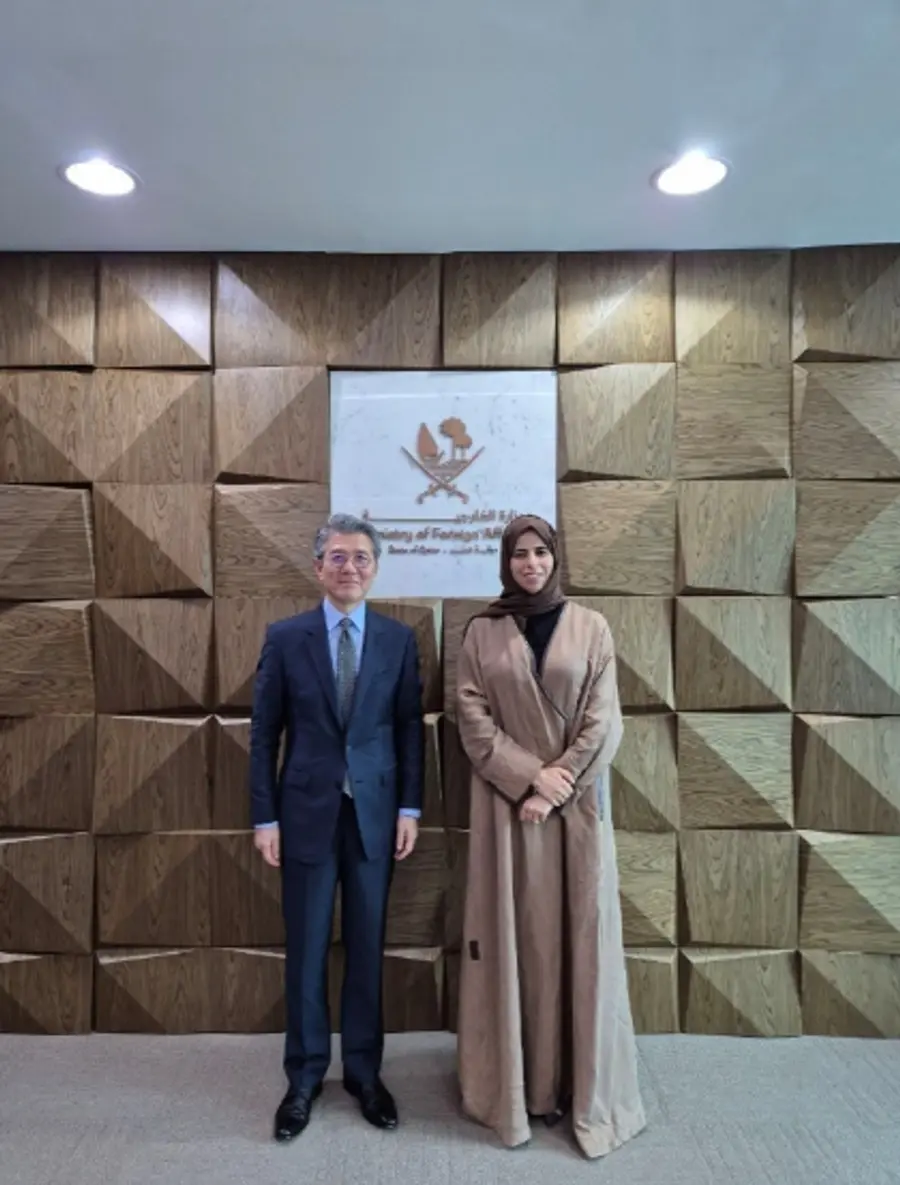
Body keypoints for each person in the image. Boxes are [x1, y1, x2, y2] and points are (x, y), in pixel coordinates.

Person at [453, 513, 646, 1160]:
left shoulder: (592, 626)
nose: (531, 563)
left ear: (556, 557)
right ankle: (520, 1089)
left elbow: (604, 721)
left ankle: (578, 1086)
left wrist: (555, 785)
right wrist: (529, 777)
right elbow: (472, 717)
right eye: (520, 554)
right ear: (505, 561)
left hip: (575, 811)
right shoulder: (481, 630)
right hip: (509, 811)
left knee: (581, 938)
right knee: (519, 939)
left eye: (541, 552)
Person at [249, 512, 424, 1142]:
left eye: (362, 558)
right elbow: (264, 734)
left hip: (375, 817)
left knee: (368, 948)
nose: (351, 567)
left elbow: (409, 729)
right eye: (339, 557)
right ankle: (303, 1079)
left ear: (375, 569)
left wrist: (410, 808)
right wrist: (264, 816)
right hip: (304, 817)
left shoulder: (398, 640)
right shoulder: (285, 638)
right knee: (306, 950)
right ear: (319, 567)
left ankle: (364, 1074)